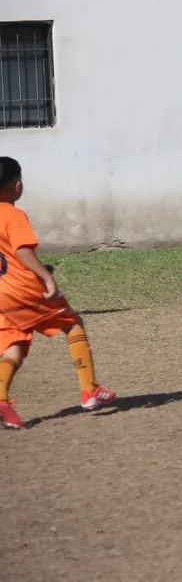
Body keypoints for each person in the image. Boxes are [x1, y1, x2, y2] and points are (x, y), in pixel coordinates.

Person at [0, 157, 115, 430]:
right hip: (26, 291)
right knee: (72, 323)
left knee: (13, 345)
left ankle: (1, 401)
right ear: (17, 186)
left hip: (3, 296)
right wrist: (45, 276)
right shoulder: (12, 214)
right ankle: (89, 391)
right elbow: (21, 250)